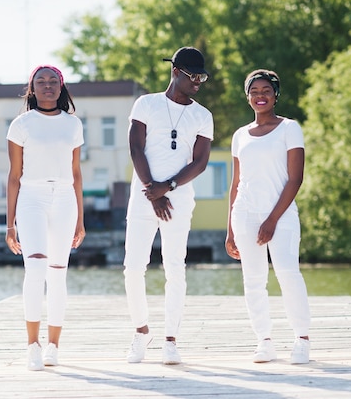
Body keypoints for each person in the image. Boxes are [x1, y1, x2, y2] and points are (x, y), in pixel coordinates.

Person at [124, 47, 214, 365]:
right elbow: (136, 148)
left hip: (178, 198)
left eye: (202, 77)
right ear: (175, 72)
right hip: (144, 195)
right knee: (133, 266)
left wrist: (169, 187)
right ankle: (141, 331)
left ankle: (170, 340)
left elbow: (200, 162)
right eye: (194, 76)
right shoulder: (146, 104)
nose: (199, 82)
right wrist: (153, 190)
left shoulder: (202, 115)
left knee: (175, 267)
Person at [225, 69, 311, 364]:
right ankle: (264, 341)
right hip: (245, 216)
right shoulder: (239, 136)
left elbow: (295, 179)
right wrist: (230, 231)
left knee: (288, 273)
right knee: (253, 280)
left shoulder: (290, 128)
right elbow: (236, 184)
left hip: (282, 215)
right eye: (254, 91)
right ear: (247, 97)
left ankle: (301, 339)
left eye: (266, 90)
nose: (260, 96)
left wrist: (272, 220)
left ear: (275, 95)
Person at [5, 65, 85, 371]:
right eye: (41, 82)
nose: (47, 86)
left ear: (61, 87)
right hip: (32, 198)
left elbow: (77, 173)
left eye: (53, 82)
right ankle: (32, 345)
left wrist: (81, 220)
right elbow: (14, 176)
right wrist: (10, 224)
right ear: (32, 88)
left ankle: (53, 345)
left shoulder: (73, 124)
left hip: (65, 199)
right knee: (35, 268)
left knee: (57, 272)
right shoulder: (21, 124)